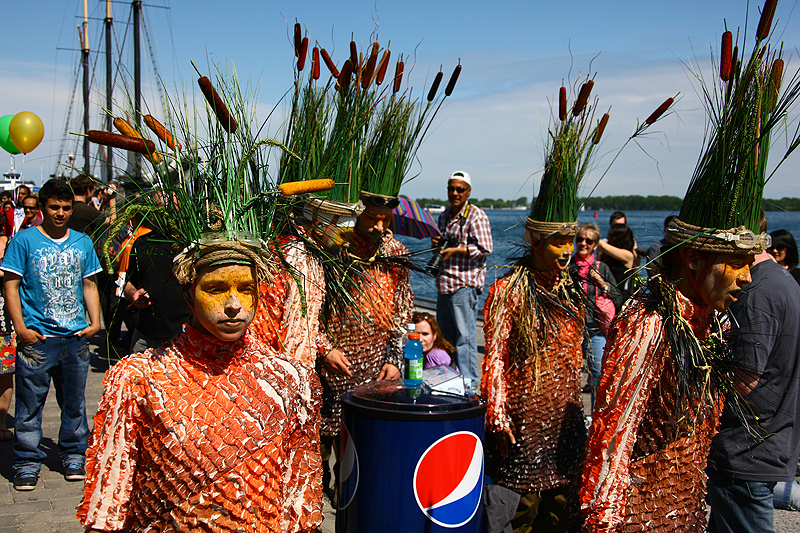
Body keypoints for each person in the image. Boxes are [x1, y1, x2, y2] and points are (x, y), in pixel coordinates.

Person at [581, 13, 792, 530]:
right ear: (695, 259)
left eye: (751, 263)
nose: (747, 277)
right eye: (737, 263)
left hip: (683, 510)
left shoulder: (712, 319)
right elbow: (612, 438)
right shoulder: (650, 326)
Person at [77, 239, 323, 532]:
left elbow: (300, 502)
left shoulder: (290, 380)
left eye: (246, 290)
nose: (234, 305)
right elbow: (108, 503)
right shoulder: (139, 378)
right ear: (188, 294)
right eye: (216, 289)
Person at [2, 178, 102, 491]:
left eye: (66, 207)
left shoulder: (82, 242)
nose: (60, 213)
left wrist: (95, 322)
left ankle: (74, 454)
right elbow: (10, 284)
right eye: (54, 207)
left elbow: (89, 284)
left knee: (74, 404)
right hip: (38, 339)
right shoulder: (25, 241)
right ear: (43, 208)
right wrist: (21, 328)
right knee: (29, 407)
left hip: (75, 338)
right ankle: (26, 461)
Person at [706, 215, 800, 533]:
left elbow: (745, 379)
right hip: (770, 440)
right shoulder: (782, 279)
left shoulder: (756, 291)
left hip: (746, 453)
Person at [434, 170, 493, 392]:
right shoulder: (444, 215)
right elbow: (443, 246)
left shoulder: (476, 215)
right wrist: (438, 243)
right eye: (451, 189)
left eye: (460, 189)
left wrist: (456, 250)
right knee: (447, 337)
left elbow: (486, 248)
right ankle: (451, 378)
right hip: (444, 283)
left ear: (468, 192)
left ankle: (470, 381)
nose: (455, 193)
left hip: (464, 284)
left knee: (464, 337)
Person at [568, 223, 619, 408]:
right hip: (571, 326)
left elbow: (618, 296)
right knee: (568, 375)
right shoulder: (567, 265)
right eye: (580, 239)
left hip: (595, 328)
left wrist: (602, 283)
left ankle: (596, 415)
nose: (583, 243)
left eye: (588, 241)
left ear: (595, 245)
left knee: (598, 372)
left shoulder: (601, 267)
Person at [596, 223, 638, 301]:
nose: (608, 238)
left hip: (620, 297)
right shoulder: (608, 255)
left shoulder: (628, 255)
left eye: (611, 235)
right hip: (605, 294)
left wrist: (592, 233)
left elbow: (604, 246)